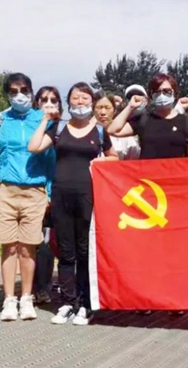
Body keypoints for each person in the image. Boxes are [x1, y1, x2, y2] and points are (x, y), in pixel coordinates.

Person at [28, 82, 118, 326]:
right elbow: (34, 147)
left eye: (85, 98)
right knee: (66, 253)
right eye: (76, 98)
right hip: (61, 196)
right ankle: (67, 302)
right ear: (68, 103)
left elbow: (114, 157)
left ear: (92, 102)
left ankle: (85, 304)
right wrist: (45, 120)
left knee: (84, 252)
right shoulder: (59, 128)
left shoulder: (99, 132)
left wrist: (100, 163)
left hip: (88, 197)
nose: (80, 102)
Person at [0, 73, 55, 322]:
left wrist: (49, 191)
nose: (19, 95)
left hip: (34, 190)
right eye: (14, 91)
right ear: (7, 94)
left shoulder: (42, 119)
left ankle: (26, 297)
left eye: (24, 90)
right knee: (9, 246)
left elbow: (51, 159)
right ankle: (9, 299)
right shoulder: (1, 119)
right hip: (5, 189)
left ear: (31, 92)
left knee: (28, 247)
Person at [108, 73, 188, 159]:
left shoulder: (185, 121)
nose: (162, 95)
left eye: (167, 91)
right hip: (148, 169)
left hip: (175, 169)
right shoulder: (144, 119)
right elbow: (112, 130)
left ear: (175, 93)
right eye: (157, 92)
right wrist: (130, 107)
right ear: (151, 95)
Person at [32, 87, 62, 305]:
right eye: (44, 99)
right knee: (38, 244)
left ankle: (60, 285)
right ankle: (39, 288)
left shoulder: (63, 128)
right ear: (36, 103)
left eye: (53, 100)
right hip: (34, 190)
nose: (49, 103)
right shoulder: (31, 125)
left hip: (58, 191)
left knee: (56, 242)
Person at [94, 90, 140, 160]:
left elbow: (133, 160)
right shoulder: (86, 132)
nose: (103, 112)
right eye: (99, 107)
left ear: (114, 110)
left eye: (107, 108)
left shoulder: (125, 136)